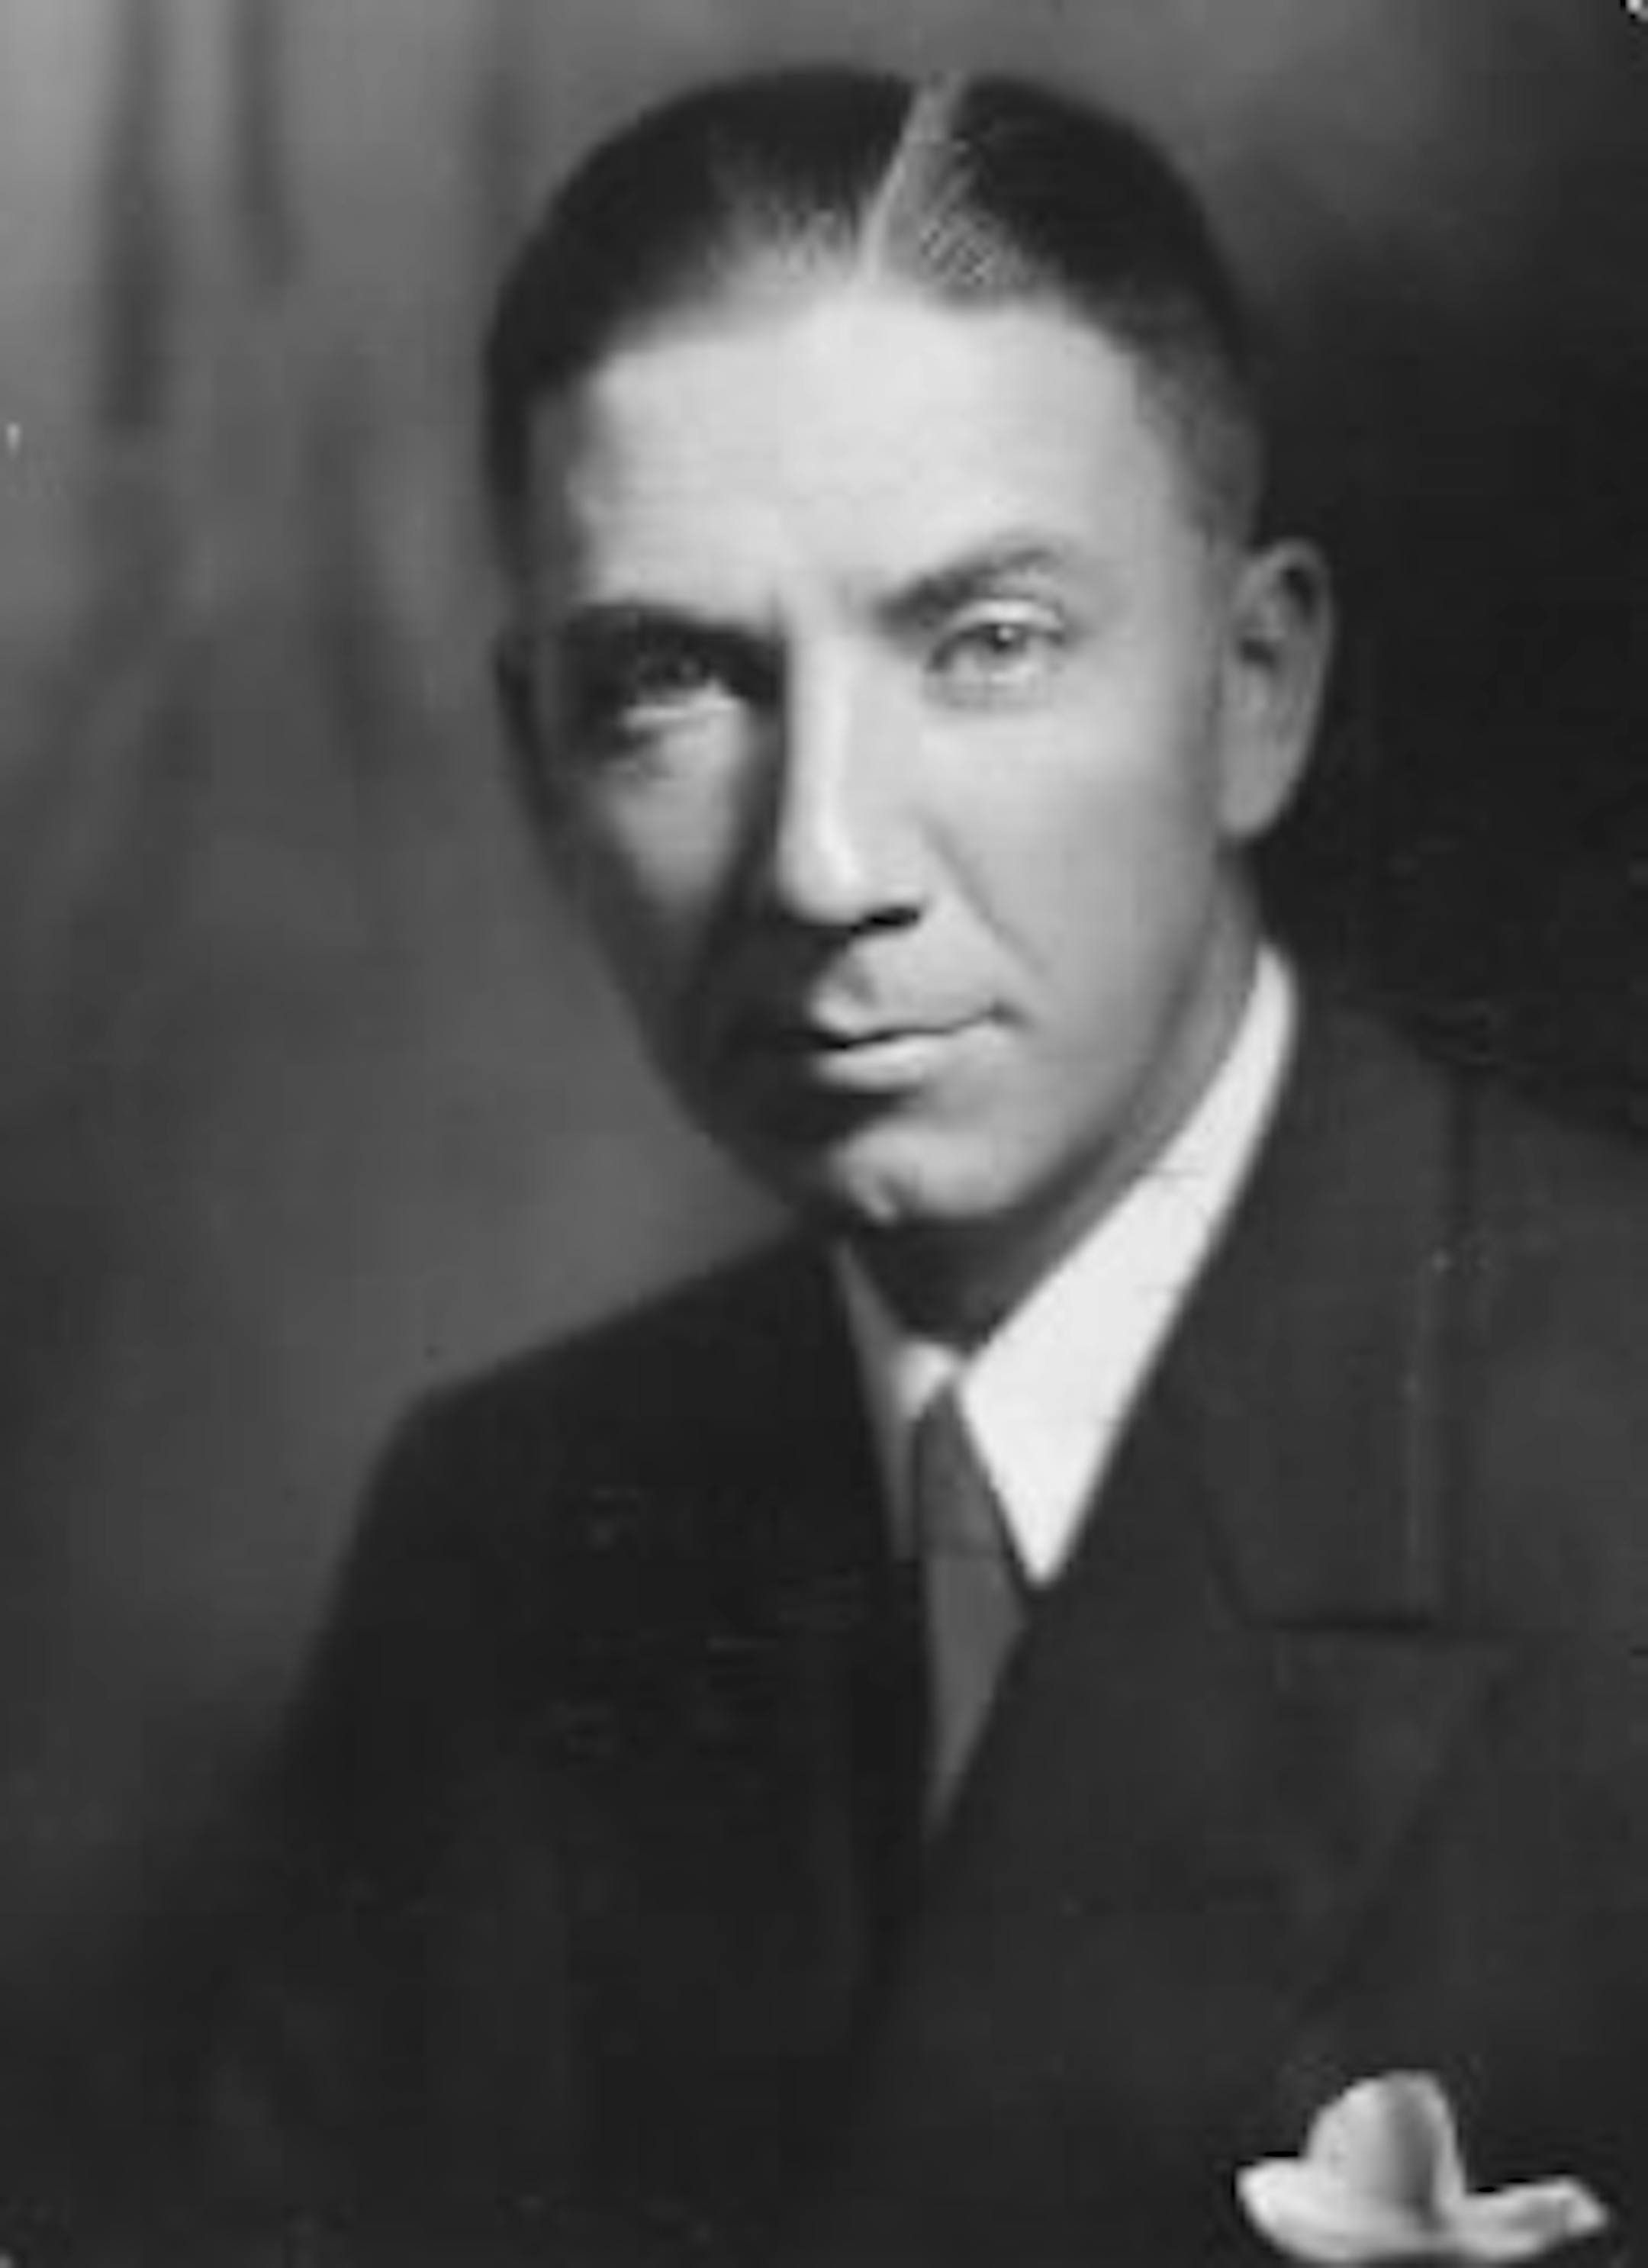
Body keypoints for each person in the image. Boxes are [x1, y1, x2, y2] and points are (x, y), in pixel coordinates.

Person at [155, 63, 1648, 2268]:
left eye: (989, 644)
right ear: (540, 769)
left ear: (1254, 690)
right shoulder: (503, 1532)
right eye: (671, 682)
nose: (824, 860)